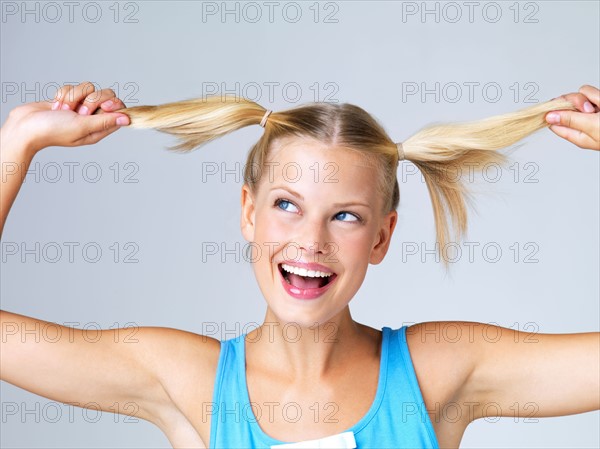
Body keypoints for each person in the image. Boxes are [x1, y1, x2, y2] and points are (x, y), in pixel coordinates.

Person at [0, 82, 598, 449]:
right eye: (287, 206)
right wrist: (18, 142)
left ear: (383, 238)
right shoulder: (190, 382)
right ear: (247, 212)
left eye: (346, 217)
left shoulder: (440, 370)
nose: (310, 241)